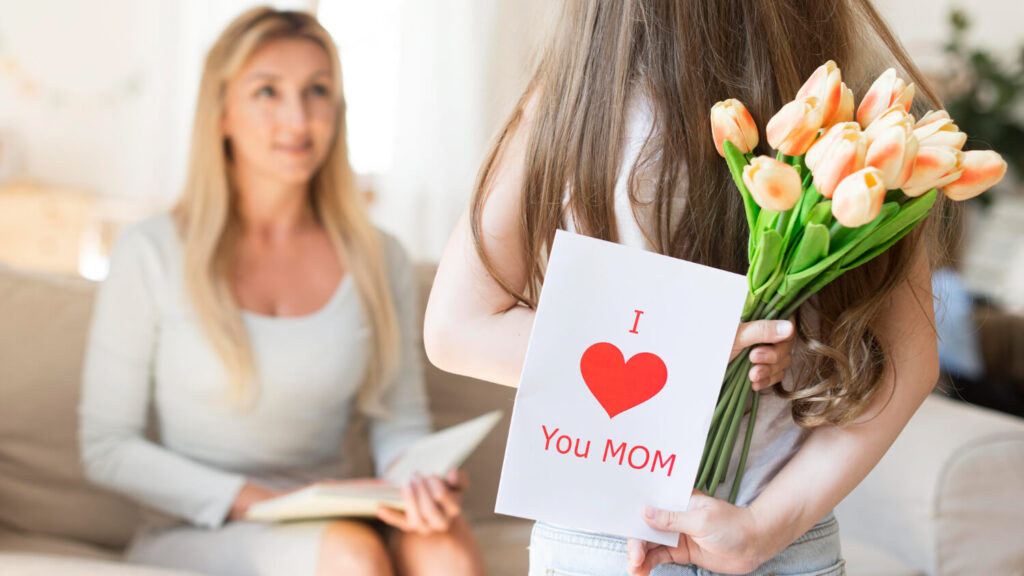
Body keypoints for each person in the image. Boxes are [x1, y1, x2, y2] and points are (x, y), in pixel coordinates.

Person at [424, 1, 943, 575]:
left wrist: (764, 529)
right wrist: (764, 525)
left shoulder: (572, 103)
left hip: (617, 537)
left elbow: (458, 327)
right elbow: (454, 331)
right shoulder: (853, 119)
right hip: (755, 546)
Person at [79, 7, 484, 576]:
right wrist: (261, 502)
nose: (298, 117)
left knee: (443, 543)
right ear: (220, 112)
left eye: (317, 91)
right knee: (350, 552)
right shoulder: (150, 252)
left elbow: (399, 422)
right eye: (267, 92)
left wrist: (418, 482)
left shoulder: (378, 256)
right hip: (205, 526)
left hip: (342, 514)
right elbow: (107, 447)